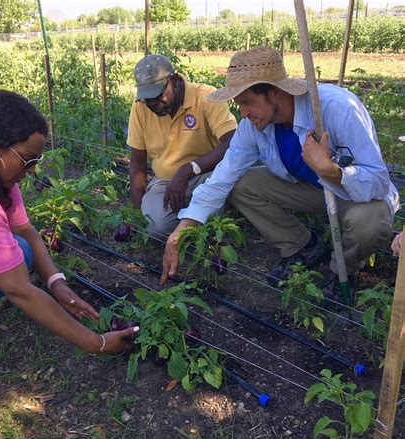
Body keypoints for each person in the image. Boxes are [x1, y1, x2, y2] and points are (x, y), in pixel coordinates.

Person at [0, 89, 137, 384]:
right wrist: (97, 343)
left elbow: (25, 229)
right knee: (4, 264)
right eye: (27, 160)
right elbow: (19, 290)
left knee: (21, 249)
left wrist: (57, 283)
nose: (32, 170)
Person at [160, 47, 399, 298]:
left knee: (369, 221)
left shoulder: (337, 108)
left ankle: (345, 270)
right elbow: (223, 176)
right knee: (241, 184)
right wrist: (184, 227)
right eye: (239, 104)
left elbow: (378, 181)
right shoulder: (254, 125)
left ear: (275, 92)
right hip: (309, 190)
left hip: (353, 193)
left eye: (248, 102)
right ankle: (303, 246)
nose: (243, 113)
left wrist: (333, 172)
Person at [127, 54, 237, 240]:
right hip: (165, 182)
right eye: (147, 98)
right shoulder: (140, 108)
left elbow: (234, 142)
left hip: (206, 175)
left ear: (176, 80)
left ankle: (208, 224)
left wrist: (188, 170)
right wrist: (139, 213)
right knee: (155, 226)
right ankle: (192, 221)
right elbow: (137, 163)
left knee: (214, 223)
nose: (153, 102)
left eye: (158, 94)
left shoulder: (206, 97)